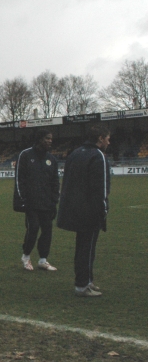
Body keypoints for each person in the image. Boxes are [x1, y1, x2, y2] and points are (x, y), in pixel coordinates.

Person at [57, 124, 111, 297]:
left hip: (74, 208)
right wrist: (103, 211)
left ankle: (86, 280)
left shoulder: (75, 153)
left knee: (82, 247)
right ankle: (82, 285)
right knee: (87, 248)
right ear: (100, 138)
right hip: (89, 210)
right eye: (107, 138)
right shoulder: (98, 156)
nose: (109, 142)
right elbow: (100, 188)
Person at [13, 128, 60, 271]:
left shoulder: (51, 159)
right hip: (31, 202)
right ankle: (26, 256)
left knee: (47, 231)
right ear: (40, 139)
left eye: (51, 138)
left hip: (47, 203)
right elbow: (19, 180)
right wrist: (22, 199)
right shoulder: (25, 155)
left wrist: (54, 200)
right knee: (33, 228)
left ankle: (43, 260)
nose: (50, 141)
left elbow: (55, 182)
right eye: (47, 138)